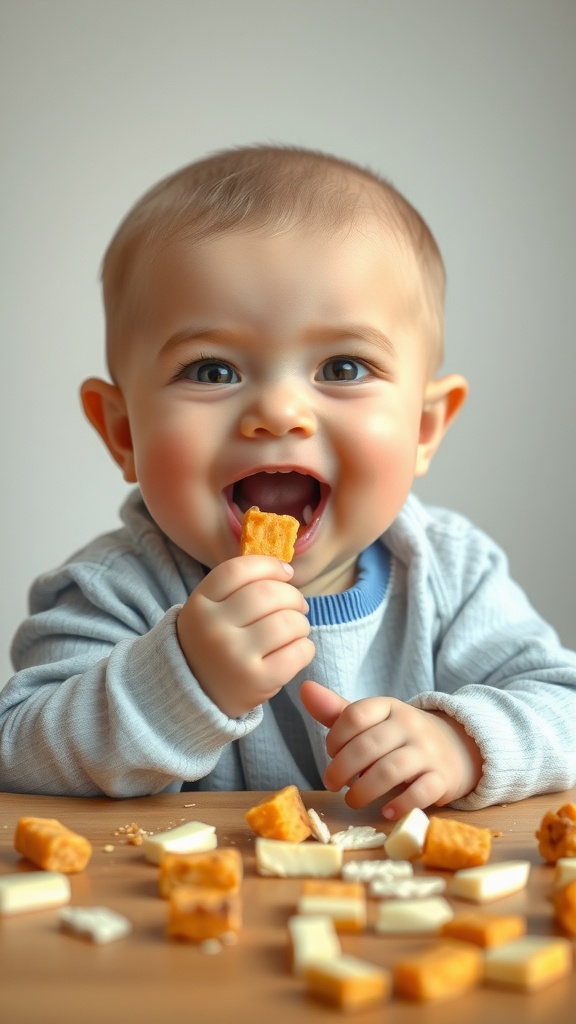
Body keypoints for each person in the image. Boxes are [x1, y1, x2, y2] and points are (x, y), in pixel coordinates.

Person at [2, 144, 575, 819]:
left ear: (423, 427)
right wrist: (183, 678)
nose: (279, 411)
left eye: (342, 368)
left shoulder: (450, 574)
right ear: (124, 433)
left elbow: (562, 704)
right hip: (182, 914)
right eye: (213, 371)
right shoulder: (116, 591)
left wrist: (462, 745)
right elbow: (17, 745)